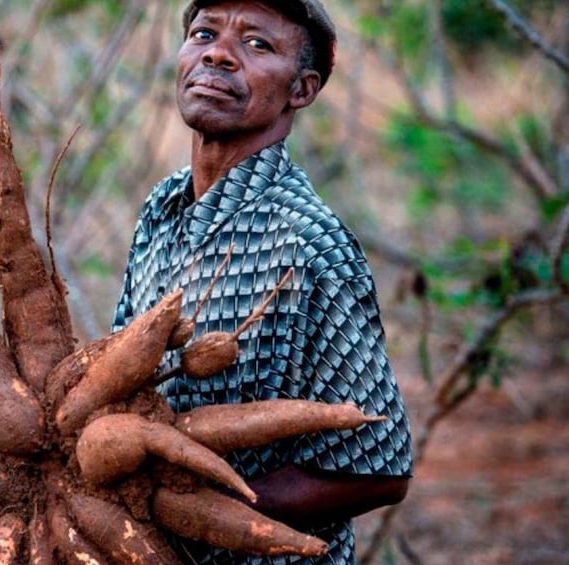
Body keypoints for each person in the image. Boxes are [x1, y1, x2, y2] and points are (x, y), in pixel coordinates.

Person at [111, 1, 413, 563]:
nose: (218, 54)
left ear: (300, 90)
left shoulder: (305, 242)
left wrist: (201, 506)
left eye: (256, 45)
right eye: (204, 33)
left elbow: (383, 469)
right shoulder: (162, 208)